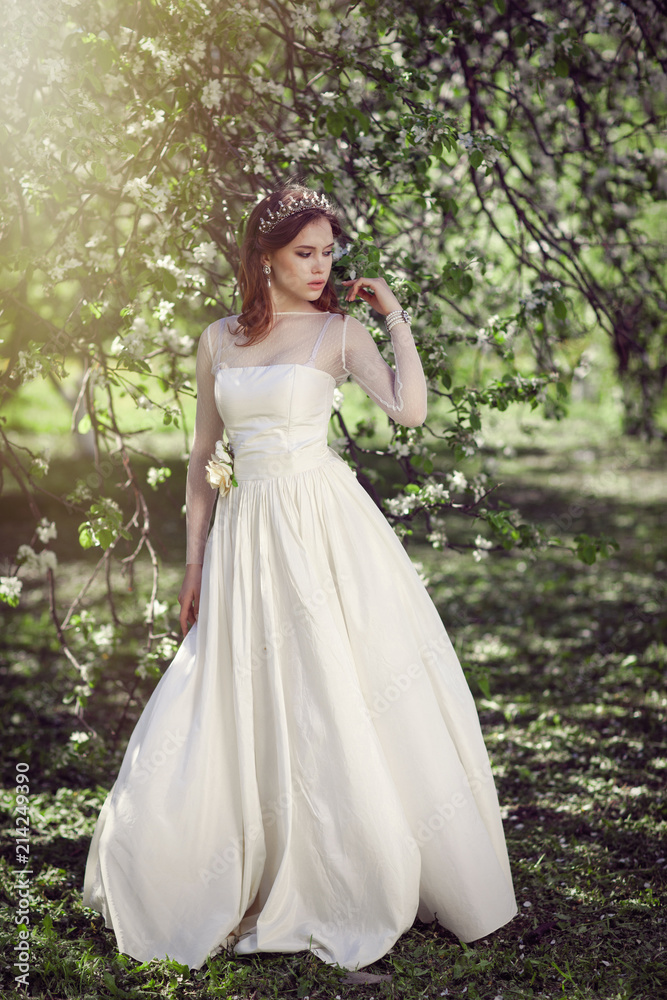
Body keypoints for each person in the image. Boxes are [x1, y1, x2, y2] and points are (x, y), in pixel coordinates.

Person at [83, 184, 517, 971]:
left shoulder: (339, 333)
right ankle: (232, 857)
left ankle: (346, 863)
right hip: (247, 531)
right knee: (238, 684)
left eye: (327, 253)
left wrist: (394, 318)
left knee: (333, 683)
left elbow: (410, 411)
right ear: (264, 258)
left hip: (321, 523)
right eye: (303, 253)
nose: (319, 268)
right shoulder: (217, 338)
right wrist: (196, 560)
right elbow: (201, 462)